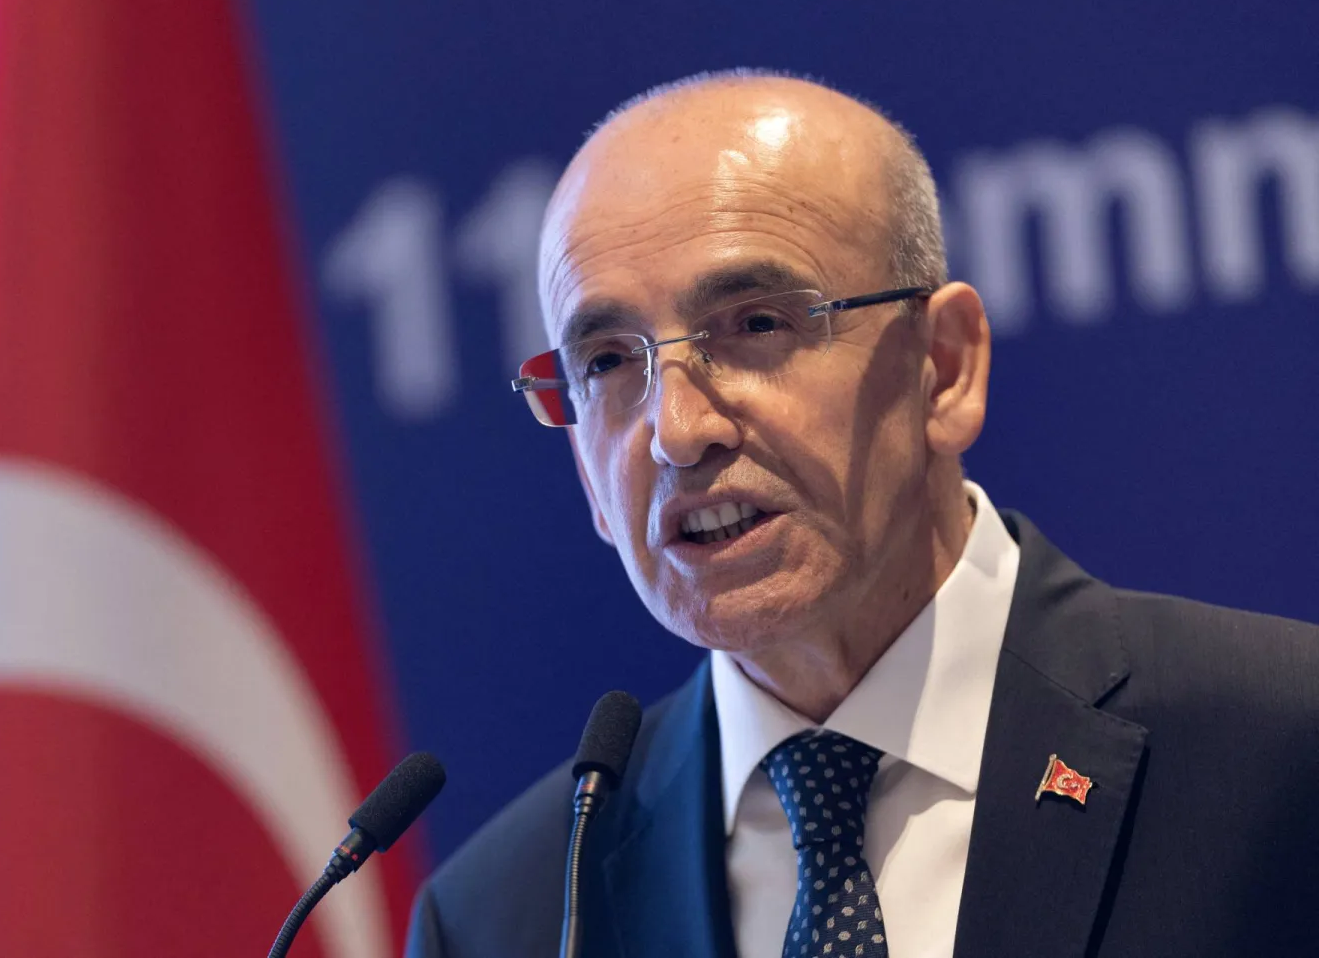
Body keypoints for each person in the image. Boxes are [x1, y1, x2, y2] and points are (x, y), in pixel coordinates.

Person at [403, 71, 1319, 958]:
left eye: (757, 325)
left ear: (945, 369)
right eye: (606, 362)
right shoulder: (504, 920)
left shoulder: (1280, 747)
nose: (677, 431)